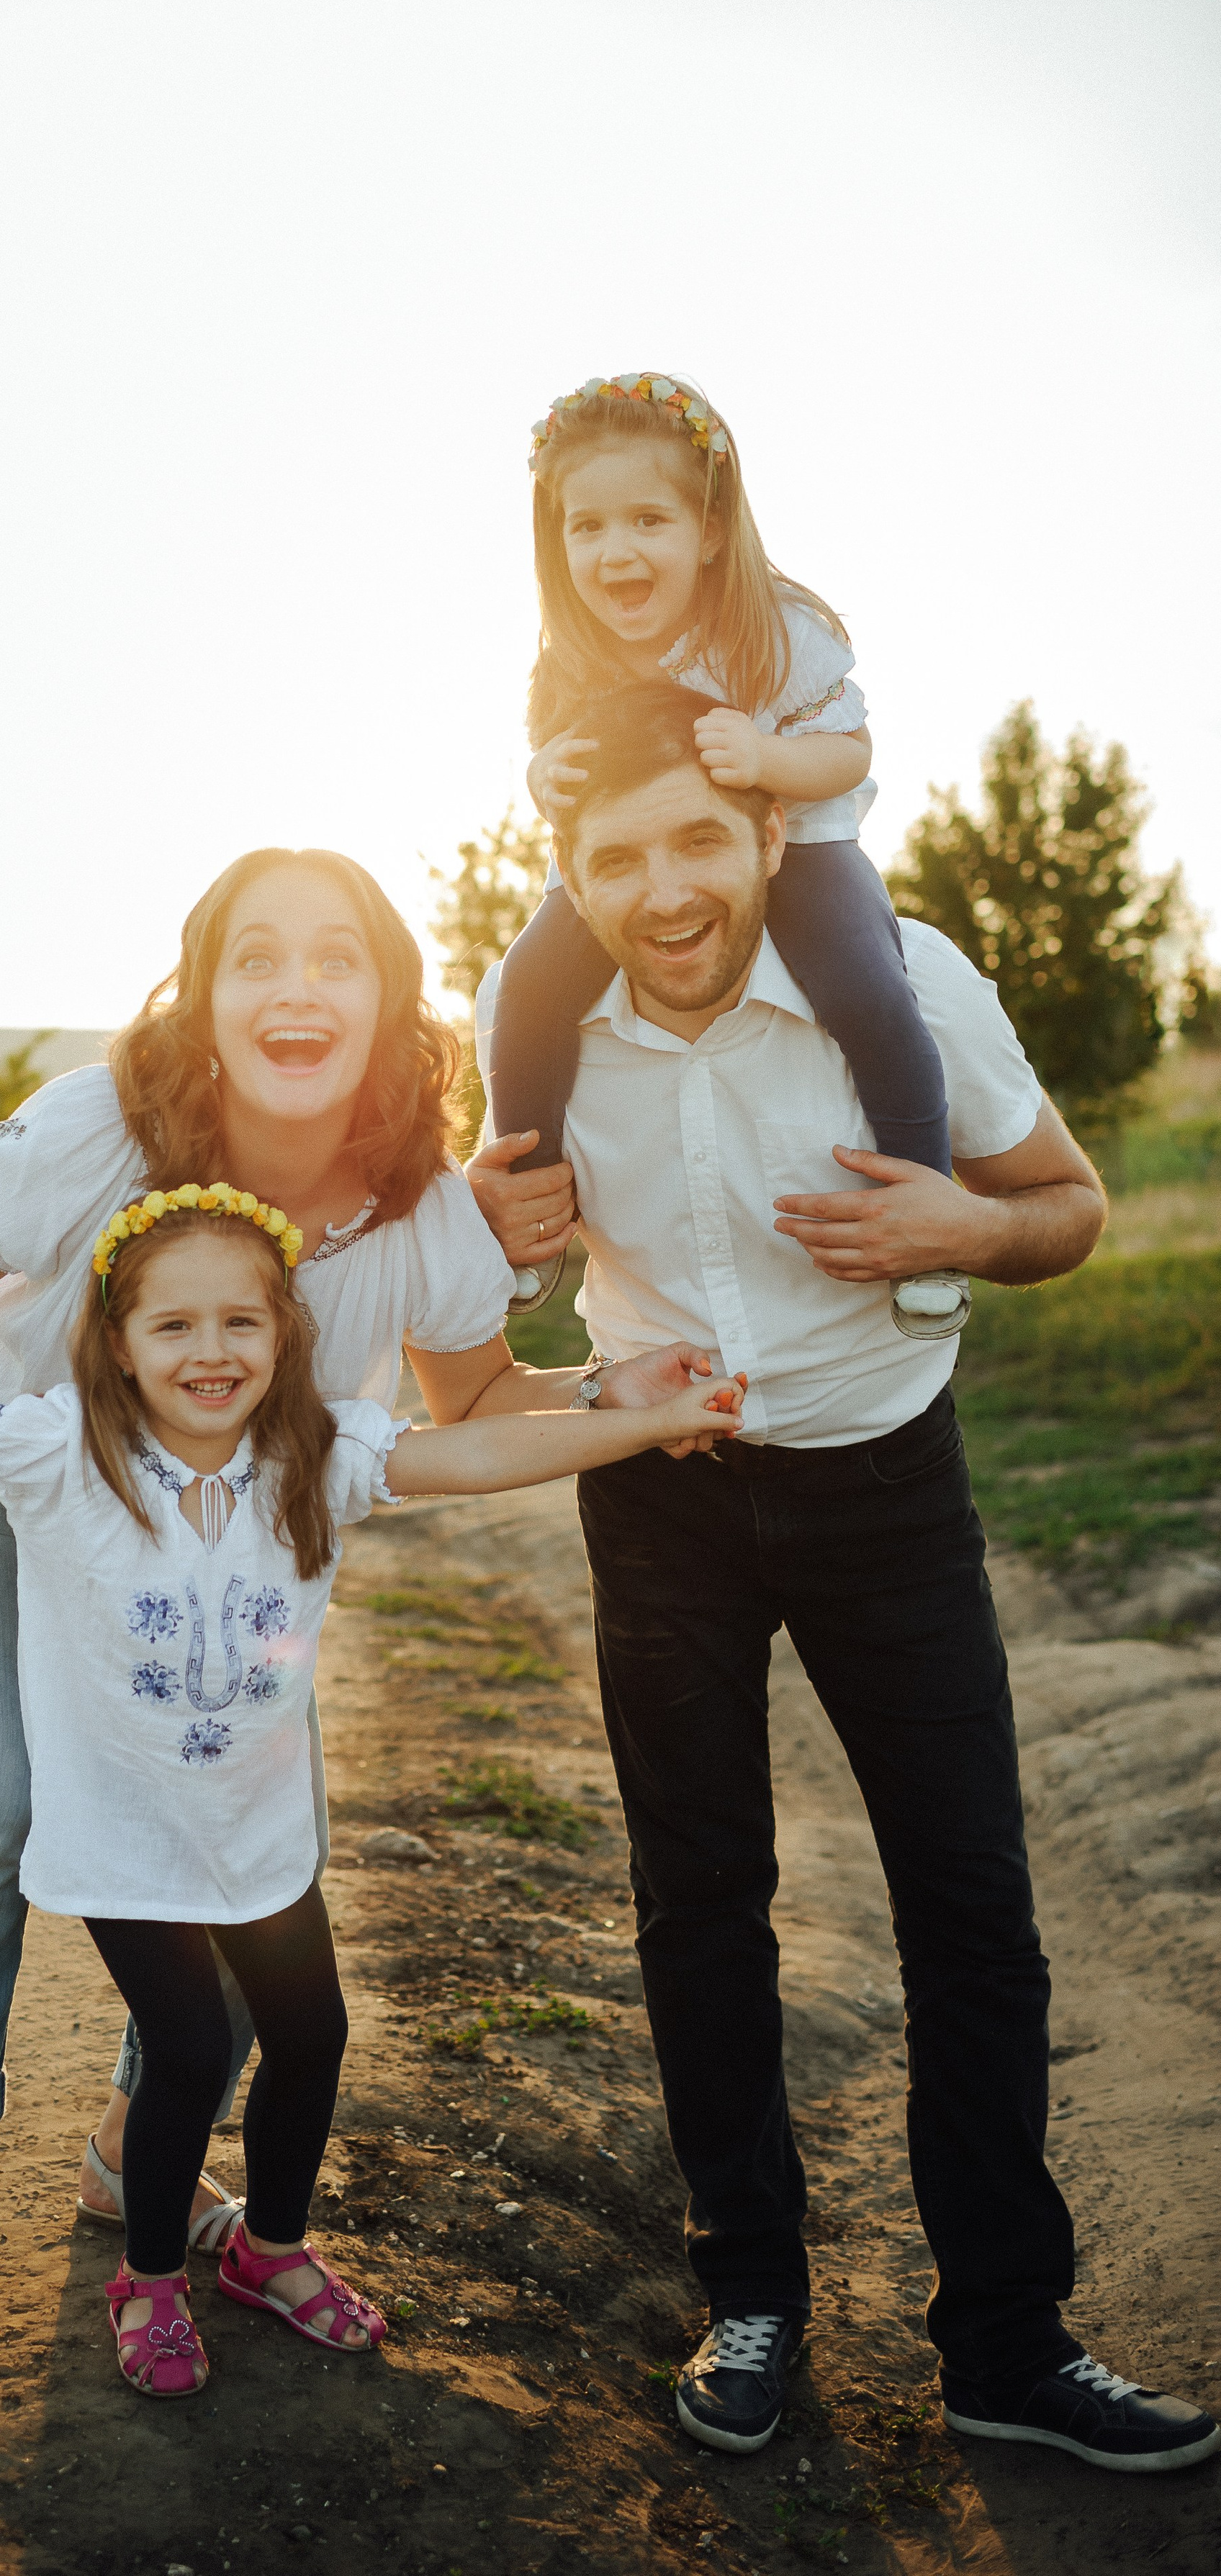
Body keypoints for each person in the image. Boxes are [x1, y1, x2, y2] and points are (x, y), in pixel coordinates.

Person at [0, 846, 714, 2422]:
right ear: (203, 990)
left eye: (334, 956)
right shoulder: (105, 1125)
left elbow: (467, 1407)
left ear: (389, 992)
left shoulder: (420, 1202)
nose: (294, 989)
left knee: (233, 1785)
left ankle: (139, 2145)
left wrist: (622, 1402)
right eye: (253, 956)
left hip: (210, 1535)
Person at [468, 678, 1219, 2476]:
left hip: (886, 1483)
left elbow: (1068, 1204)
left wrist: (968, 1226)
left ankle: (1006, 2342)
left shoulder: (906, 978)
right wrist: (510, 1273)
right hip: (664, 1501)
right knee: (697, 1902)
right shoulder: (537, 1043)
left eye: (698, 843)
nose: (664, 890)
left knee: (968, 1903)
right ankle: (751, 2301)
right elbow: (471, 1339)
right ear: (568, 871)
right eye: (616, 855)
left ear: (763, 835)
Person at [490, 370, 962, 1342]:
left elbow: (853, 748)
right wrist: (546, 781)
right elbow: (554, 770)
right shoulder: (570, 656)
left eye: (647, 522)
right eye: (588, 528)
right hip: (634, 861)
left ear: (708, 529)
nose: (616, 550)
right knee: (529, 986)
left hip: (803, 848)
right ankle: (530, 1205)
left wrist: (769, 760)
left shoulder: (776, 629)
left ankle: (930, 1212)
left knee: (868, 990)